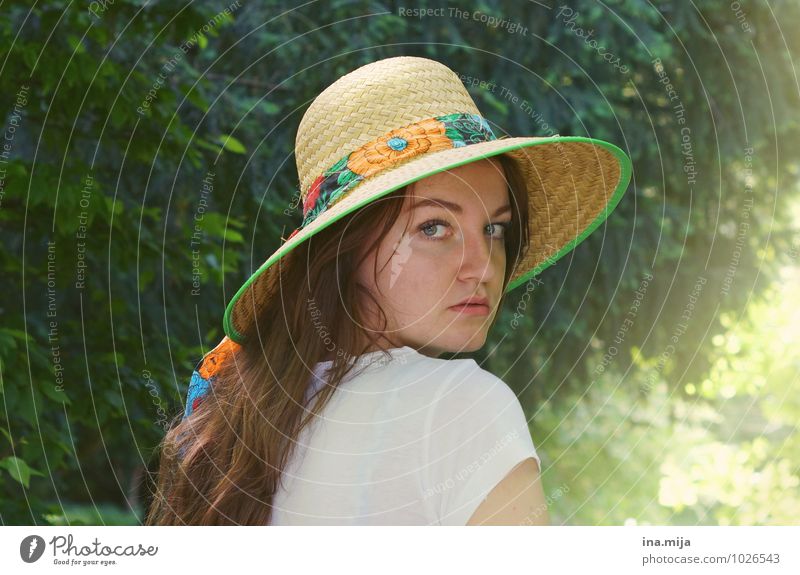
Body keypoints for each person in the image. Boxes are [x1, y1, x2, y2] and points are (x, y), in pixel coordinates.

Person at [146, 56, 632, 526]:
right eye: (434, 227)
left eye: (495, 229)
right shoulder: (460, 404)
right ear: (346, 250)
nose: (483, 266)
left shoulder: (252, 427)